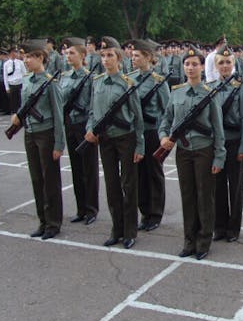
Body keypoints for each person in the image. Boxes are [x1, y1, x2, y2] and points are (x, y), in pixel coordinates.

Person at [158, 44, 225, 260]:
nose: (190, 68)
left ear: (202, 67)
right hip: (183, 151)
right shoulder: (176, 92)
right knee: (187, 196)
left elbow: (217, 127)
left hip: (204, 151)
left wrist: (219, 155)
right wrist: (164, 137)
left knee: (204, 196)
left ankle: (204, 241)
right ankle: (189, 240)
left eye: (194, 64)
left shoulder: (210, 93)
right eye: (186, 64)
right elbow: (166, 119)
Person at [85, 36, 145, 249]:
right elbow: (92, 111)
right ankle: (116, 229)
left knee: (128, 184)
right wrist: (89, 130)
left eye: (110, 55)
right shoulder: (97, 82)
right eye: (103, 55)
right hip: (105, 139)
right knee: (111, 185)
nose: (106, 59)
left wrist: (140, 145)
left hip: (125, 138)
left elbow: (138, 118)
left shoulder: (129, 83)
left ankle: (130, 231)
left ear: (119, 58)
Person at [11, 40, 65, 240]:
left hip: (46, 133)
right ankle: (42, 220)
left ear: (40, 57)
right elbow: (23, 106)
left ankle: (53, 222)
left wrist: (59, 143)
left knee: (50, 179)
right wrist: (16, 117)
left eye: (29, 57)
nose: (25, 61)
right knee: (36, 178)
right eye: (24, 57)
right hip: (30, 132)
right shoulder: (27, 80)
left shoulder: (50, 82)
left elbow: (59, 116)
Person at [128, 38, 169, 232]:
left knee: (153, 173)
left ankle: (155, 214)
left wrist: (164, 136)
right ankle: (144, 211)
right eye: (132, 55)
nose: (133, 58)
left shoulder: (159, 82)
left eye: (137, 55)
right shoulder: (129, 79)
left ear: (148, 57)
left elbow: (167, 111)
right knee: (138, 174)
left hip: (152, 132)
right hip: (135, 132)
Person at [211, 44, 243, 243]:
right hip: (216, 145)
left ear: (233, 64)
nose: (225, 66)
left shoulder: (241, 88)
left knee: (235, 187)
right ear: (216, 65)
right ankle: (219, 226)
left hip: (234, 141)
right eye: (221, 63)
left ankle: (233, 228)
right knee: (217, 186)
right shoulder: (210, 88)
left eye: (228, 62)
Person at [59, 37, 99, 226]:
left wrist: (91, 129)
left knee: (89, 169)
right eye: (67, 53)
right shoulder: (64, 77)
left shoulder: (90, 78)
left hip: (84, 126)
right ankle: (80, 208)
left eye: (72, 53)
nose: (68, 56)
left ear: (83, 55)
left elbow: (93, 106)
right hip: (70, 124)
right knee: (76, 168)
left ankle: (91, 209)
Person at [4, 47, 27, 115]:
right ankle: (14, 114)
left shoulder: (20, 63)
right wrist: (7, 87)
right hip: (12, 84)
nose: (15, 54)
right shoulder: (6, 64)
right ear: (10, 53)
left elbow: (24, 74)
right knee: (13, 102)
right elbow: (5, 76)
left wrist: (25, 84)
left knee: (20, 101)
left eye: (16, 52)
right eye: (14, 52)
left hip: (20, 84)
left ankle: (21, 114)